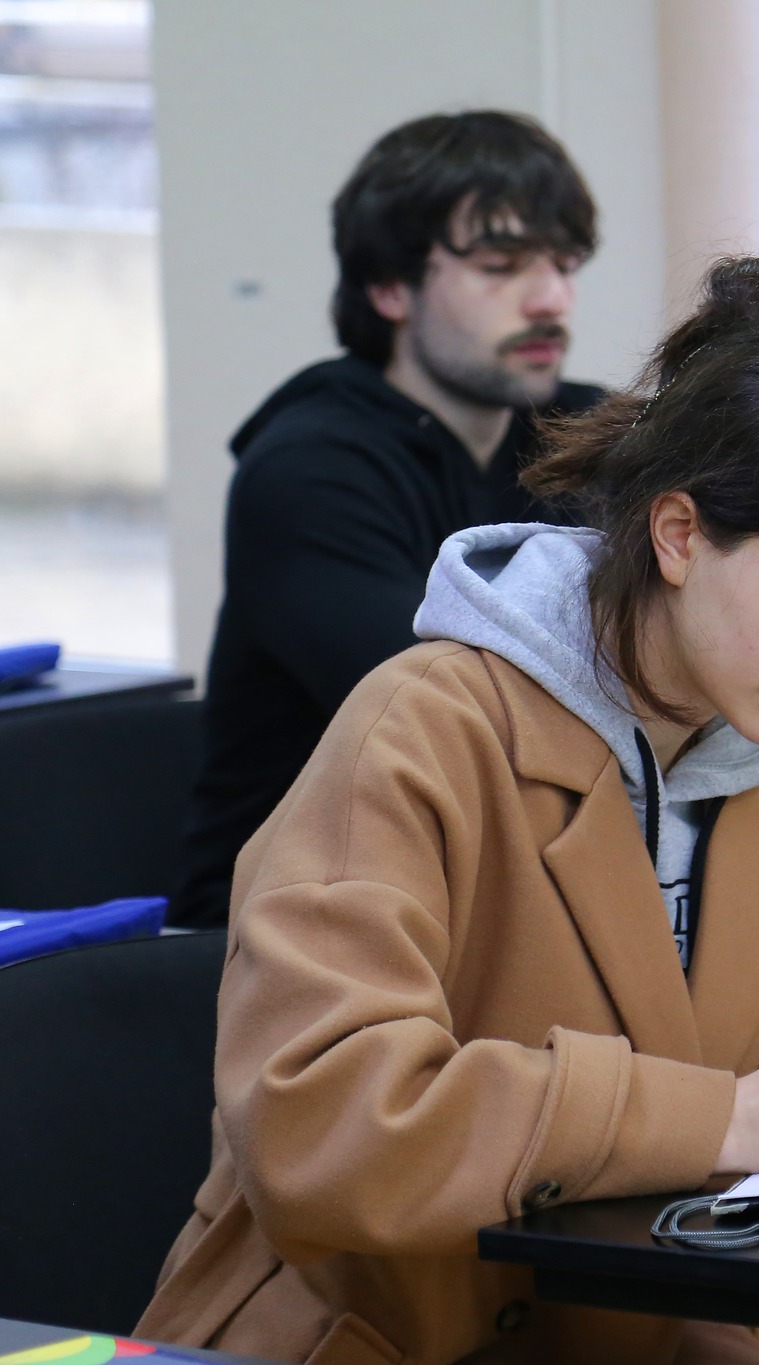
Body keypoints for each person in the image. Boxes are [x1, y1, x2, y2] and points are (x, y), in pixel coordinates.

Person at [136, 258, 759, 1365]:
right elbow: (325, 1125)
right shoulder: (422, 728)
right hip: (366, 1339)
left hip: (636, 1326)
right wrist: (732, 1117)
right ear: (678, 536)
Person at [170, 110, 606, 928]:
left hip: (489, 891)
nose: (551, 298)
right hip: (291, 926)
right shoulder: (308, 469)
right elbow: (452, 721)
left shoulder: (581, 437)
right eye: (502, 266)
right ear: (389, 288)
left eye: (564, 262)